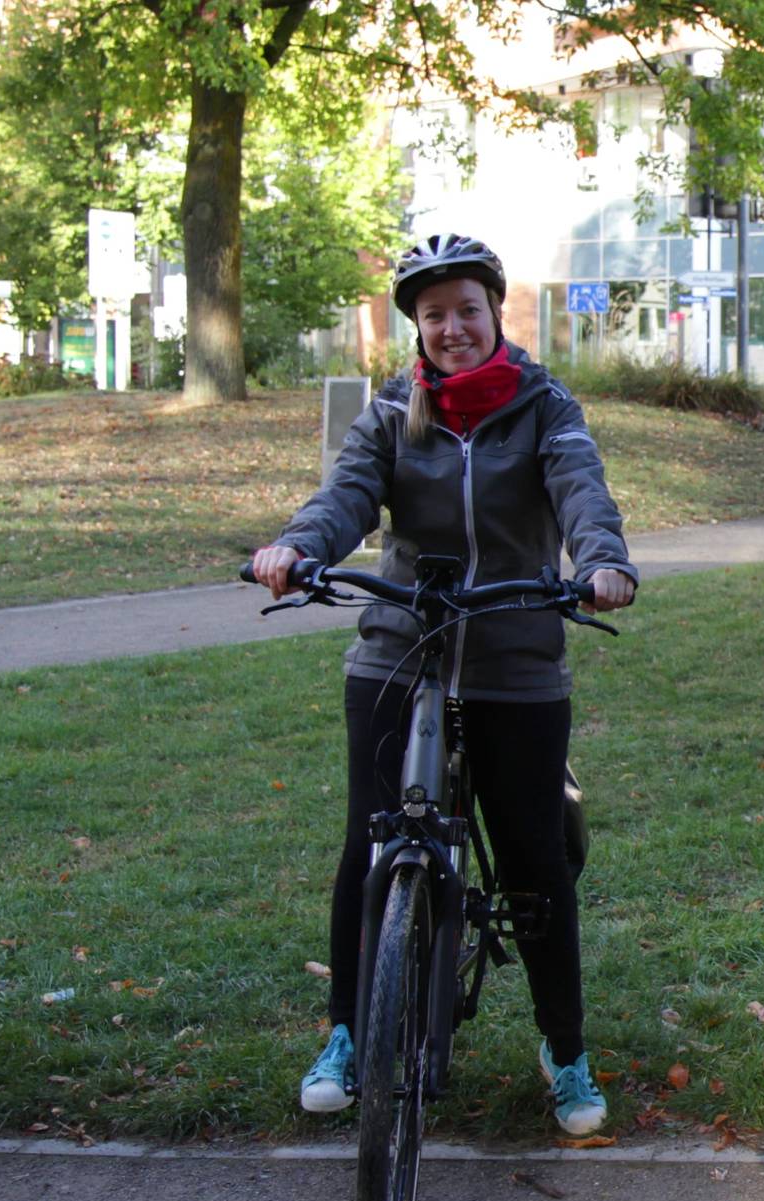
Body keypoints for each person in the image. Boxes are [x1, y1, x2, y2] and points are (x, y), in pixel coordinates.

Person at [249, 233, 637, 1136]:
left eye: (467, 310)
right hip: (400, 647)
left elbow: (581, 491)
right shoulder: (394, 410)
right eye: (434, 316)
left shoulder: (545, 405)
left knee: (536, 861)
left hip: (515, 655)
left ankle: (564, 1048)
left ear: (494, 311)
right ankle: (349, 1032)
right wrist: (301, 547)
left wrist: (602, 560)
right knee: (369, 846)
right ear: (416, 328)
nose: (453, 329)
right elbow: (346, 494)